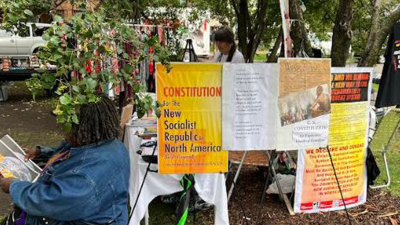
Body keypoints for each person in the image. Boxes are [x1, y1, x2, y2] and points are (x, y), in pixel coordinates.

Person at [0, 96, 130, 225]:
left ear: (81, 129)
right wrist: (42, 152)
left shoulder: (84, 177)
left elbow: (50, 201)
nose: (63, 131)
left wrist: (13, 187)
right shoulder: (108, 143)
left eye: (65, 126)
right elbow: (71, 154)